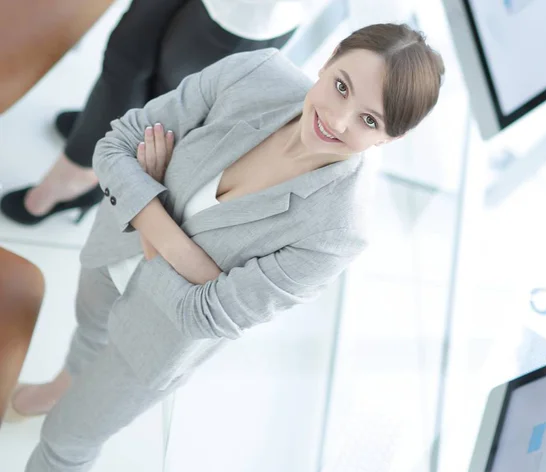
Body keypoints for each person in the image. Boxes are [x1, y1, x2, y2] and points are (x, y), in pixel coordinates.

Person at [6, 23, 445, 471]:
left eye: (369, 121)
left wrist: (148, 203)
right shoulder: (255, 72)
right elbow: (117, 145)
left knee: (66, 442)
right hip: (110, 253)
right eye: (341, 86)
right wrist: (190, 261)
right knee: (89, 329)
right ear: (330, 60)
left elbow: (209, 313)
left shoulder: (340, 230)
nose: (337, 120)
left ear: (390, 139)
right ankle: (63, 384)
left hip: (157, 338)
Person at [0, 0, 321, 225]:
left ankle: (83, 176)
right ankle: (97, 130)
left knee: (167, 93)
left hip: (249, 8)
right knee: (126, 56)